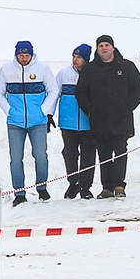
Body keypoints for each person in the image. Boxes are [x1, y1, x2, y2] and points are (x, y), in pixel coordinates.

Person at [76, 34, 140, 198]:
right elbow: (81, 93)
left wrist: (128, 107)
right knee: (104, 153)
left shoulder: (126, 66)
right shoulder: (89, 69)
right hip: (99, 119)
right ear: (97, 49)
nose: (104, 48)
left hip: (121, 119)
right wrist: (90, 110)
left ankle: (119, 185)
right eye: (101, 46)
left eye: (107, 45)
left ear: (112, 47)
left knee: (120, 151)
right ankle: (107, 188)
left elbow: (139, 88)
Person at [0, 41, 54, 204]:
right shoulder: (6, 69)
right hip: (15, 123)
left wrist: (43, 110)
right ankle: (19, 193)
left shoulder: (42, 68)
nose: (24, 58)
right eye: (21, 55)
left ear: (32, 55)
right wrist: (9, 110)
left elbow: (53, 90)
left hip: (38, 122)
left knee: (40, 156)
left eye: (27, 55)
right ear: (16, 55)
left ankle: (42, 187)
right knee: (16, 158)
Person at [50, 44, 94, 200]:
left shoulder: (92, 73)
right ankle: (73, 181)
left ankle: (85, 186)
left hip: (88, 123)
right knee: (70, 153)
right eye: (74, 56)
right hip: (68, 122)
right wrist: (49, 114)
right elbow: (55, 94)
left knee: (88, 155)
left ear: (86, 59)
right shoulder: (63, 73)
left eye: (79, 57)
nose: (75, 60)